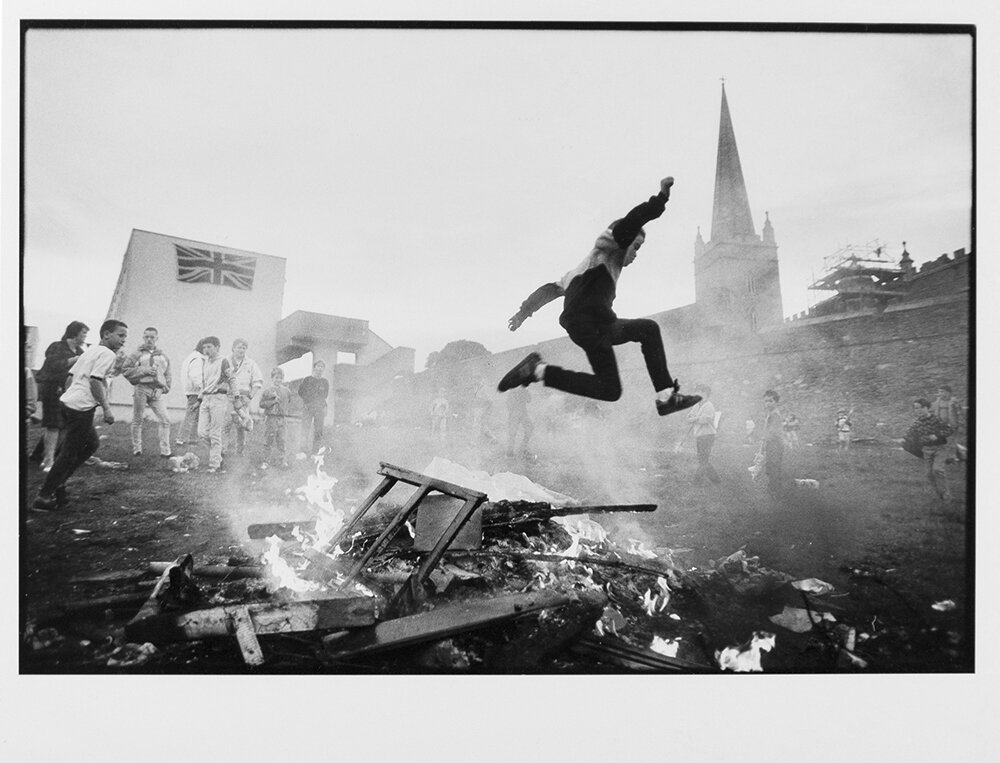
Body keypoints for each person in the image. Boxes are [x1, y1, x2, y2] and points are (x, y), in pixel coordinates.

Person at [498, 176, 700, 418]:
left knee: (612, 387)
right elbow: (631, 222)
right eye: (635, 247)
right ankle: (666, 396)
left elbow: (549, 290)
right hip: (587, 320)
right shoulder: (609, 246)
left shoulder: (577, 270)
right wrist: (660, 200)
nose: (635, 255)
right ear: (625, 241)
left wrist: (523, 313)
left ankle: (538, 371)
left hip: (596, 325)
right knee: (648, 330)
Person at [32, 320, 128, 511]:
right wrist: (107, 408)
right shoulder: (107, 353)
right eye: (120, 335)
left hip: (69, 403)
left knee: (91, 444)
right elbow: (95, 381)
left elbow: (70, 377)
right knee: (69, 453)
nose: (123, 340)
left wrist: (69, 397)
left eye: (125, 336)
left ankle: (59, 482)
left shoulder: (90, 351)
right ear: (106, 334)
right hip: (81, 408)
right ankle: (43, 497)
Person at [32, 321, 89, 471]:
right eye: (83, 332)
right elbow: (53, 365)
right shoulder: (57, 346)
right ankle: (49, 460)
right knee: (53, 424)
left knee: (64, 425)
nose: (85, 336)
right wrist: (77, 360)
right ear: (75, 332)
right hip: (53, 388)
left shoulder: (79, 351)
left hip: (68, 391)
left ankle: (44, 456)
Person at [121, 327, 173, 457]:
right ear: (143, 338)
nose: (149, 339)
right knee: (138, 419)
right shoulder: (136, 354)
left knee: (165, 419)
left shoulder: (163, 356)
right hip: (141, 388)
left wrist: (162, 389)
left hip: (156, 391)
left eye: (152, 337)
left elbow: (168, 375)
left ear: (157, 338)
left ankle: (165, 452)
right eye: (147, 337)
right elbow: (125, 370)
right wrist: (143, 370)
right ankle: (137, 450)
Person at [906, 397, 955, 504]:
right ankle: (939, 496)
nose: (917, 411)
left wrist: (938, 435)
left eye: (919, 408)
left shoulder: (936, 419)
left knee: (937, 470)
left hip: (940, 449)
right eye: (915, 409)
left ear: (927, 408)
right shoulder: (916, 423)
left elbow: (949, 429)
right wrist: (903, 439)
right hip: (926, 450)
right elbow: (909, 435)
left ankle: (946, 495)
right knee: (928, 474)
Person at [196, 337, 232, 473]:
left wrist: (237, 398)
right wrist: (199, 400)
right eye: (204, 347)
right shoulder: (205, 362)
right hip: (206, 399)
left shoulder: (223, 361)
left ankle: (215, 464)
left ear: (217, 347)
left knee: (215, 433)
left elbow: (232, 379)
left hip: (219, 398)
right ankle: (219, 455)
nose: (206, 350)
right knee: (201, 433)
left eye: (209, 347)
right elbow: (205, 383)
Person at [686, 384, 720, 485]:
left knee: (703, 459)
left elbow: (704, 420)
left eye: (698, 392)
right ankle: (716, 480)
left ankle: (697, 481)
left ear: (705, 394)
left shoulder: (709, 406)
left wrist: (694, 418)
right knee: (702, 459)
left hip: (708, 435)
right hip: (699, 435)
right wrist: (696, 418)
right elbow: (688, 418)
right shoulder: (696, 405)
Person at [259, 367, 292, 468]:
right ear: (272, 378)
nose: (278, 380)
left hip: (282, 418)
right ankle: (266, 461)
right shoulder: (267, 391)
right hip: (271, 418)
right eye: (276, 377)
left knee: (282, 440)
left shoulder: (286, 391)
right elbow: (262, 404)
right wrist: (273, 402)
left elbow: (288, 401)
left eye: (280, 378)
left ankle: (282, 461)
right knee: (268, 440)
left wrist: (283, 410)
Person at [177, 339, 206, 446]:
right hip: (195, 391)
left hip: (192, 390)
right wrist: (203, 387)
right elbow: (195, 375)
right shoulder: (197, 359)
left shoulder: (193, 357)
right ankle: (181, 439)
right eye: (206, 347)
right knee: (191, 415)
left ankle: (193, 439)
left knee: (196, 417)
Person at [297, 359, 330, 454]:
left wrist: (323, 406)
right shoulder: (307, 380)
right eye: (318, 366)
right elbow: (300, 392)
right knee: (305, 428)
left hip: (319, 408)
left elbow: (325, 395)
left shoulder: (325, 382)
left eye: (322, 367)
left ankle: (315, 452)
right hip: (308, 407)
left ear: (323, 369)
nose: (319, 369)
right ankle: (302, 451)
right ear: (314, 367)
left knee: (318, 430)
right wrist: (307, 402)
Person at [761, 389, 786, 495]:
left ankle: (774, 489)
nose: (768, 403)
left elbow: (772, 432)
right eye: (766, 401)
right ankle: (774, 487)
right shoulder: (771, 413)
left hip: (775, 443)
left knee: (773, 466)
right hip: (772, 443)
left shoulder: (774, 414)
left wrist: (764, 442)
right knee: (771, 466)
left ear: (776, 402)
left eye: (770, 401)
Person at [931, 385, 963, 463]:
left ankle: (952, 458)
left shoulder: (954, 402)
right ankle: (941, 456)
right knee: (940, 441)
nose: (940, 393)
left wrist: (961, 424)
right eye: (939, 392)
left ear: (948, 393)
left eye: (942, 391)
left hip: (951, 425)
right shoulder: (938, 401)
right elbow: (933, 411)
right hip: (940, 425)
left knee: (950, 441)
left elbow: (959, 414)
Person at [505, 385, 534, 457]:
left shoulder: (523, 389)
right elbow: (509, 404)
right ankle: (510, 451)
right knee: (513, 432)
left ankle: (522, 447)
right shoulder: (514, 390)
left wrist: (525, 392)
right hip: (516, 413)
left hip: (522, 412)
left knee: (529, 428)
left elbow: (529, 400)